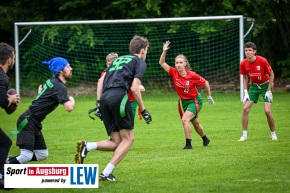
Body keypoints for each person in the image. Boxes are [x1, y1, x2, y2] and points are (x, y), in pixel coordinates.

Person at [75, 35, 152, 181]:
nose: (146, 53)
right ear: (142, 50)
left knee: (117, 141)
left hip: (104, 99)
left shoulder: (117, 60)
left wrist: (99, 103)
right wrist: (143, 109)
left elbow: (102, 80)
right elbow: (135, 88)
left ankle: (87, 146)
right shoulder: (139, 62)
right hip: (119, 98)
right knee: (129, 139)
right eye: (146, 49)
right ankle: (106, 173)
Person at [7, 57, 75, 165]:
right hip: (28, 120)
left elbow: (41, 87)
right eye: (68, 66)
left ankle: (9, 160)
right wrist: (72, 100)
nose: (71, 68)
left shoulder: (52, 81)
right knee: (26, 155)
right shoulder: (59, 86)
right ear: (60, 70)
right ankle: (2, 172)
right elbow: (69, 108)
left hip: (35, 122)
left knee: (42, 154)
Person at [159, 40, 214, 149]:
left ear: (185, 64)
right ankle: (205, 139)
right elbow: (162, 63)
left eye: (180, 63)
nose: (178, 65)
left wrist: (209, 96)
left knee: (185, 120)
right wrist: (164, 51)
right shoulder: (174, 72)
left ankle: (188, 145)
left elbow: (206, 83)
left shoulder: (192, 75)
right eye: (177, 63)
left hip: (195, 101)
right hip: (184, 102)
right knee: (196, 123)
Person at [239, 42, 277, 141]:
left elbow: (272, 74)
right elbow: (244, 78)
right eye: (246, 50)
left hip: (265, 86)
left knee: (267, 111)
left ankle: (273, 134)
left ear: (254, 51)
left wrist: (268, 91)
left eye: (250, 50)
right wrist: (246, 92)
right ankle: (244, 135)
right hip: (254, 87)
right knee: (245, 109)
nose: (247, 52)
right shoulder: (243, 63)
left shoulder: (262, 61)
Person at [0, 42, 20, 189]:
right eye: (13, 58)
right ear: (9, 60)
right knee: (4, 143)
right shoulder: (3, 77)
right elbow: (2, 102)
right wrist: (11, 99)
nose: (13, 60)